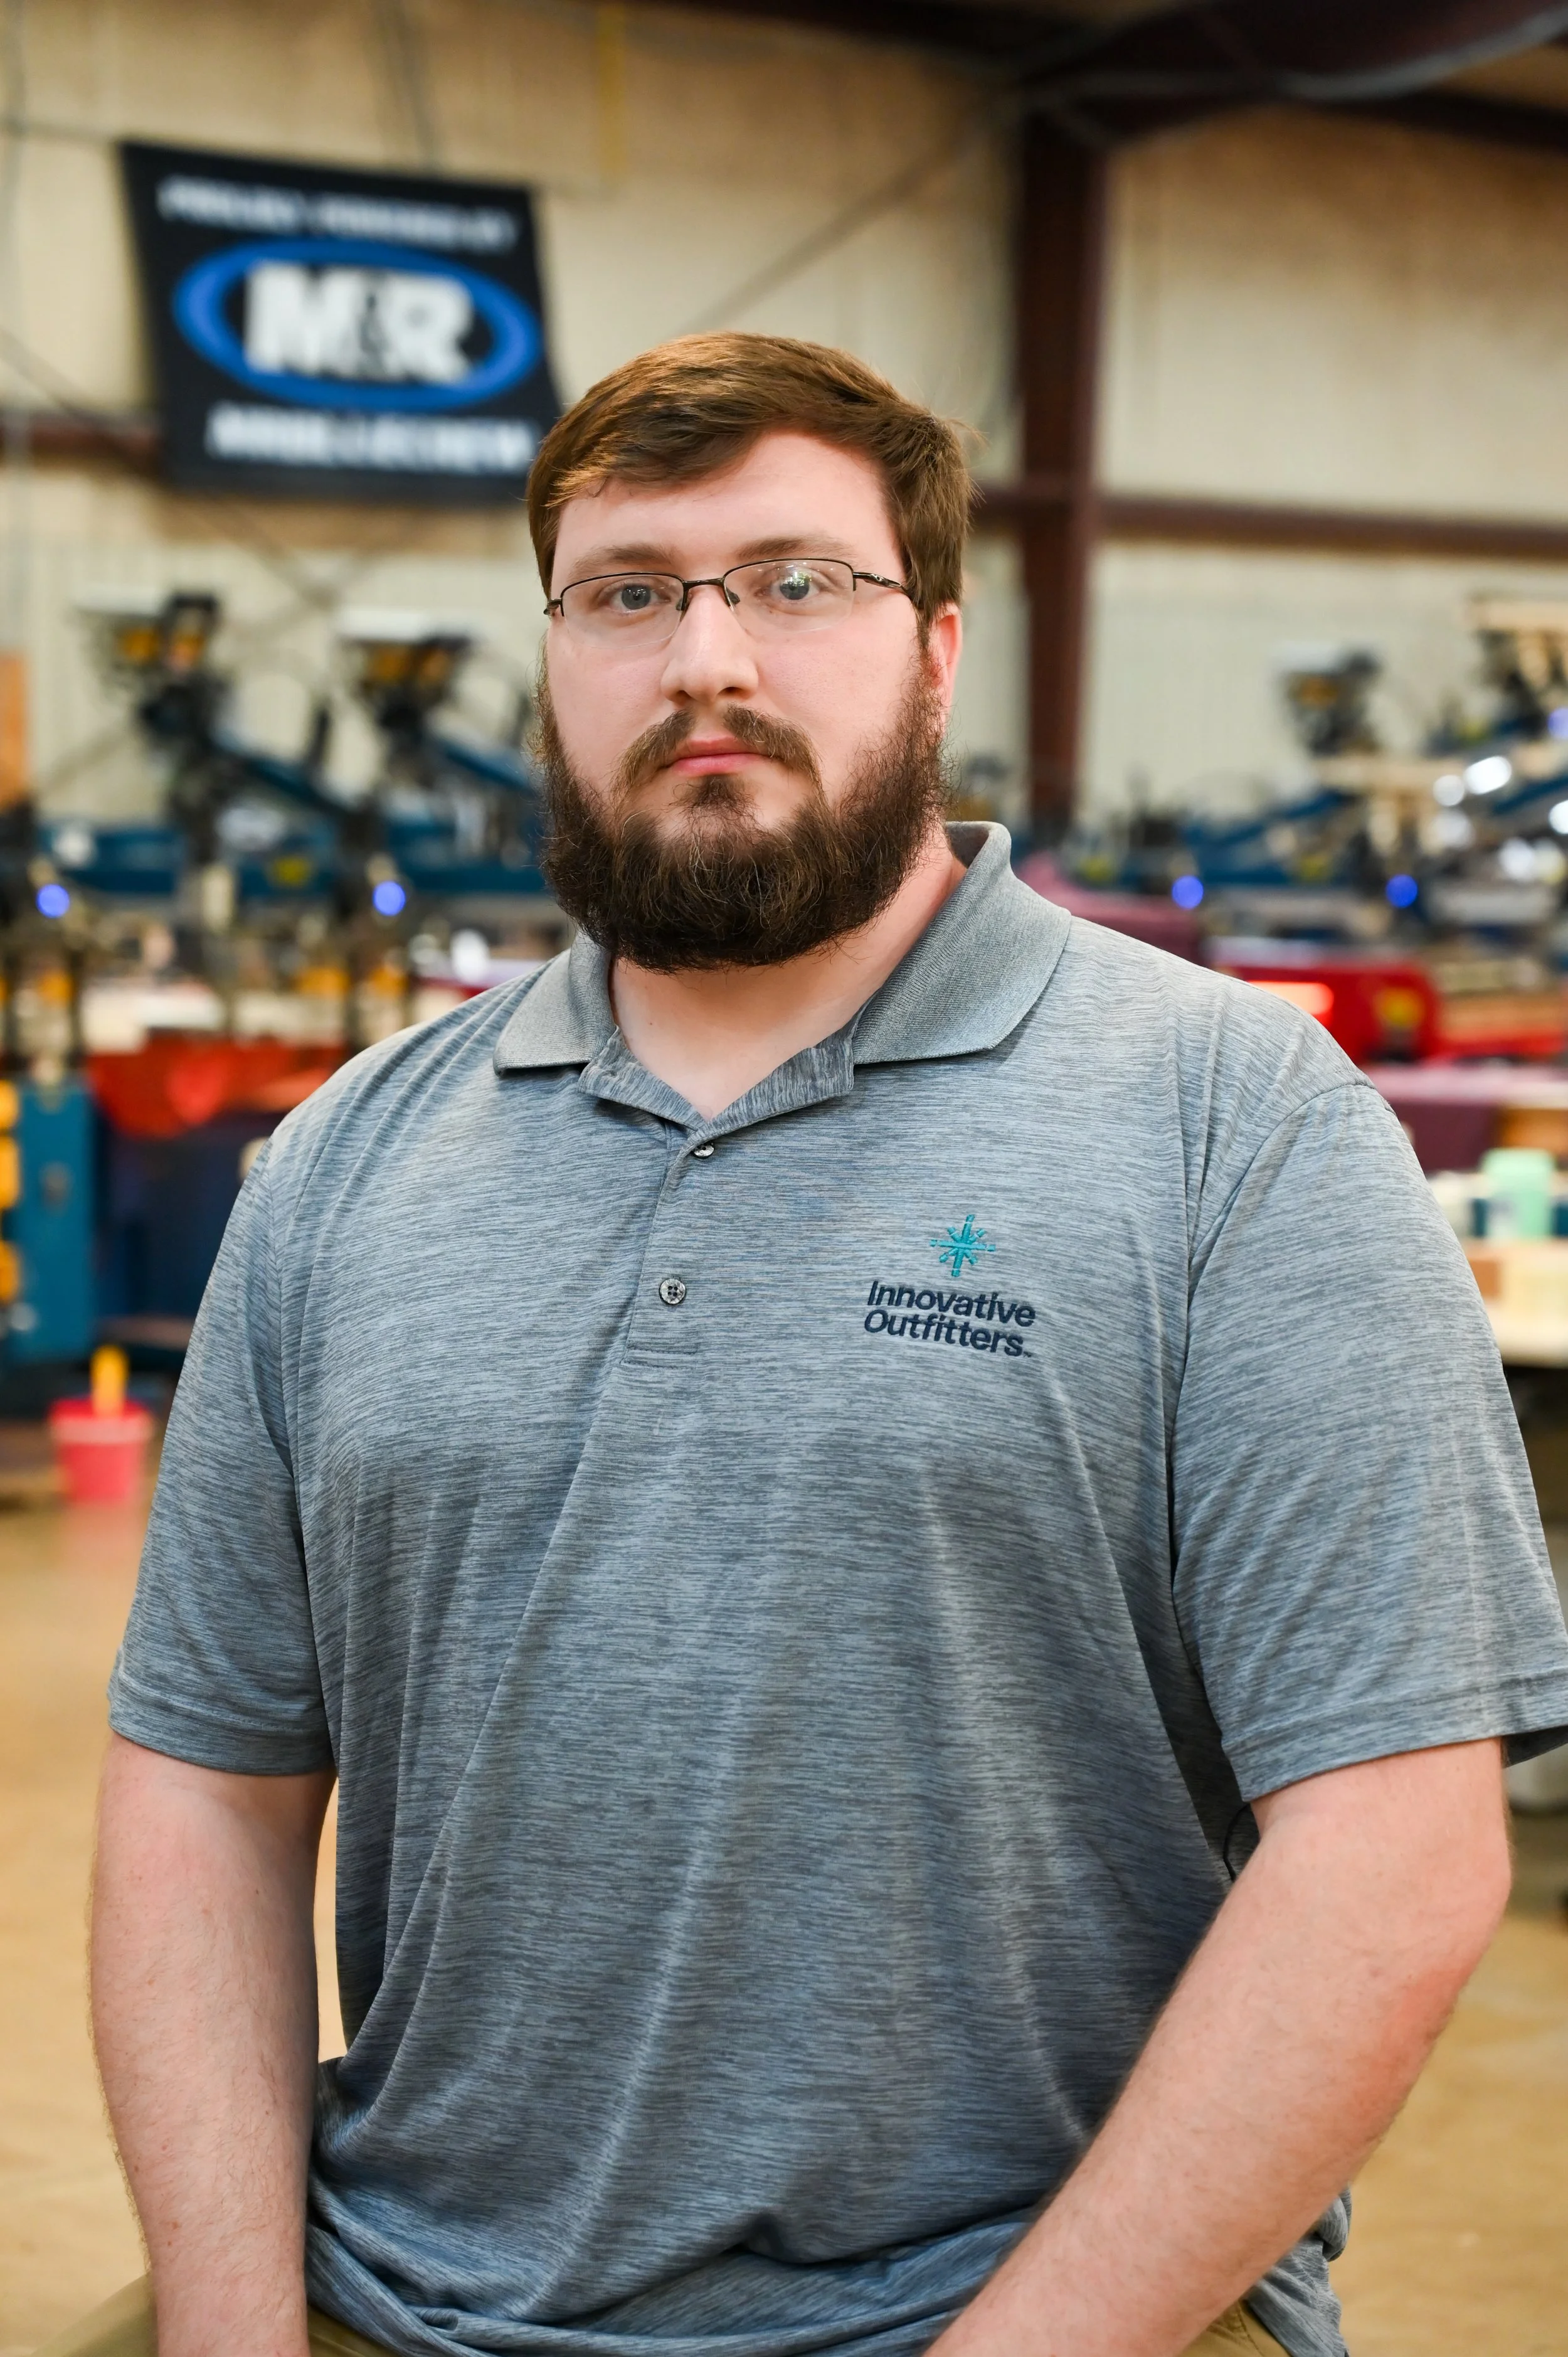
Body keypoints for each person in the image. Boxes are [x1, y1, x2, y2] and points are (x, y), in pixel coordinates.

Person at [66, 333, 1568, 2357]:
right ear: (556, 659)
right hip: (404, 2289)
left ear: (935, 646)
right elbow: (206, 1789)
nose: (706, 657)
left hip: (1036, 2306)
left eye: (793, 581)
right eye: (628, 591)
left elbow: (1392, 1845)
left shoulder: (1235, 1125)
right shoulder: (345, 1161)